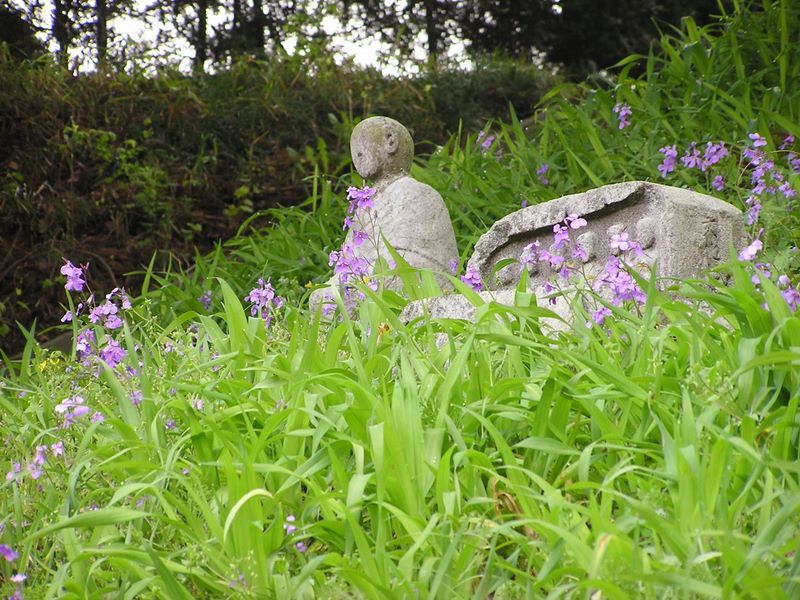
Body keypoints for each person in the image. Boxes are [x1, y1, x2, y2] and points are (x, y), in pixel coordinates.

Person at [310, 116, 458, 313]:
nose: (357, 154)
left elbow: (416, 260)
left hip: (409, 281)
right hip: (370, 279)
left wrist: (370, 276)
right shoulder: (364, 206)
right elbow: (351, 261)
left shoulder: (413, 191)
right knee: (321, 297)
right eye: (353, 149)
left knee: (350, 294)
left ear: (391, 140)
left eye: (362, 143)